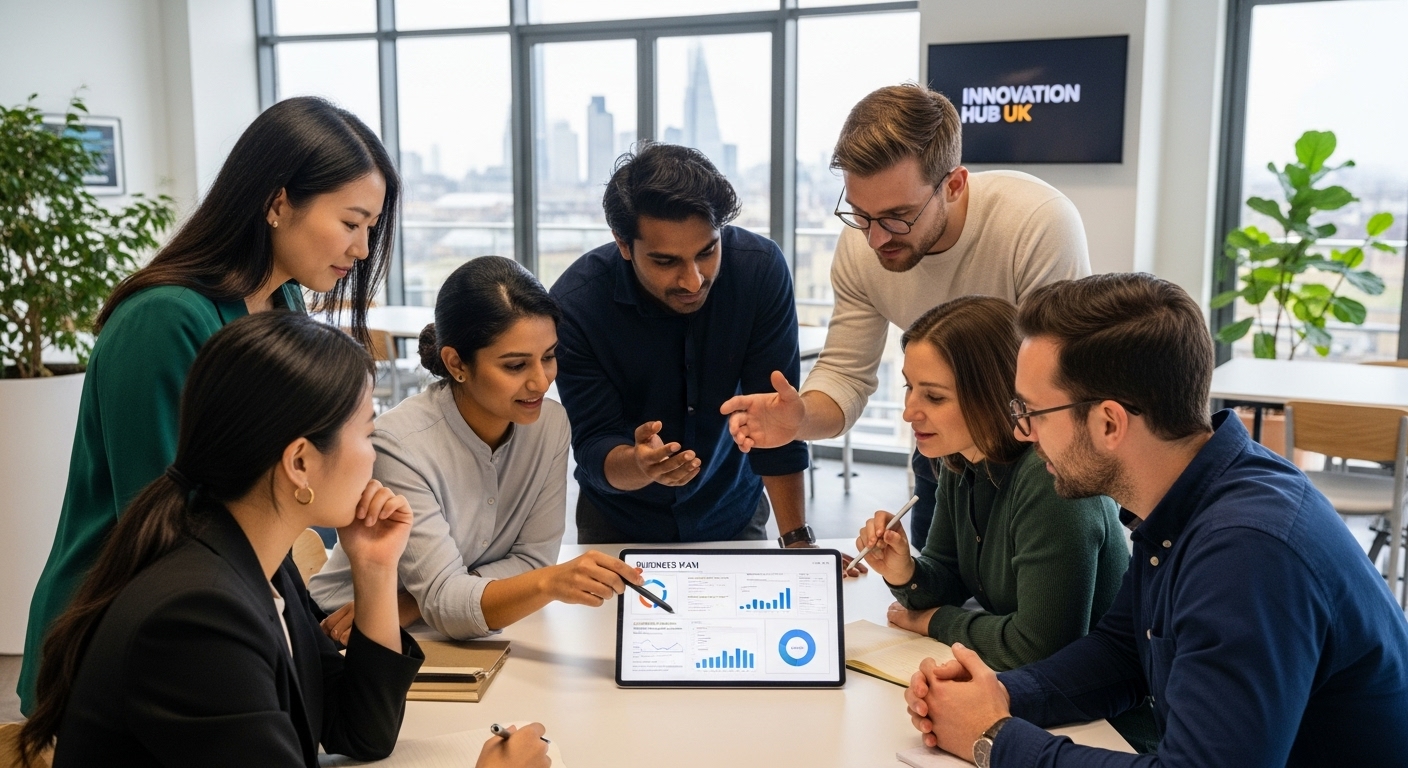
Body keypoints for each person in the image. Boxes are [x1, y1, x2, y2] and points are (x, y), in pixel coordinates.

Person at [902, 273, 1408, 767]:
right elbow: (1121, 653)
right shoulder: (1192, 495)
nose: (1023, 431)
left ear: (1108, 423)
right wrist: (997, 695)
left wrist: (995, 739)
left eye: (1033, 412)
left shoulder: (1245, 552)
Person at [16, 312, 551, 768]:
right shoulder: (196, 616)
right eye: (367, 433)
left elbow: (360, 732)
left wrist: (375, 569)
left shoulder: (255, 562)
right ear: (300, 462)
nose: (374, 456)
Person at [19, 96, 400, 713]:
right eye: (352, 222)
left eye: (371, 229)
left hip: (222, 610)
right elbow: (165, 515)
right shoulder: (162, 320)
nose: (362, 249)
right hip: (126, 632)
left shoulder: (283, 305)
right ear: (279, 203)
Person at [721, 83, 1092, 545]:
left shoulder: (1036, 222)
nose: (876, 239)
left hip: (1038, 453)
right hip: (942, 456)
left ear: (954, 185)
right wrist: (800, 422)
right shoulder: (858, 248)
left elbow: (1062, 377)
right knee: (932, 590)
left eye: (898, 216)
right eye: (860, 214)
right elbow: (846, 375)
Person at [310, 256, 645, 641]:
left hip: (436, 625)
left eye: (549, 357)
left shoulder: (549, 426)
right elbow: (470, 596)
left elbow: (532, 560)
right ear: (456, 364)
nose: (541, 382)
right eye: (516, 365)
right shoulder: (399, 445)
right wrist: (541, 583)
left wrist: (418, 601)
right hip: (346, 631)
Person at [550, 143, 815, 548]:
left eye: (707, 251)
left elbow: (774, 424)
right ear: (623, 244)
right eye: (665, 262)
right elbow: (593, 441)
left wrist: (798, 542)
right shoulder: (577, 304)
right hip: (619, 523)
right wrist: (640, 465)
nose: (692, 281)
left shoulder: (759, 272)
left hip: (732, 510)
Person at [853, 296, 1126, 674]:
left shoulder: (1049, 478)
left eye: (934, 396)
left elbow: (1038, 647)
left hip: (1105, 721)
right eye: (909, 388)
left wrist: (934, 622)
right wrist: (904, 572)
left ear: (993, 395)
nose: (908, 411)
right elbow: (947, 576)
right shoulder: (960, 459)